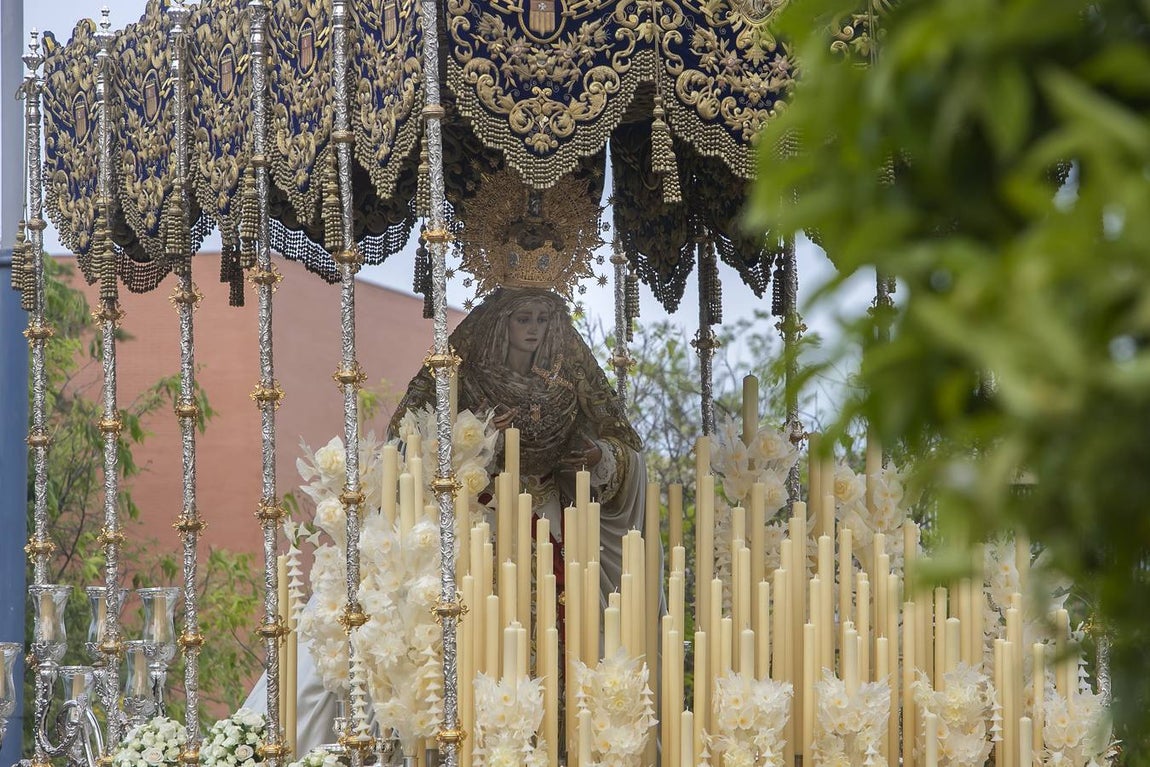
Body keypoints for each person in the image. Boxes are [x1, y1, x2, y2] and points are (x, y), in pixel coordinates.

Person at [390, 286, 649, 605]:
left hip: (551, 516)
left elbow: (622, 442)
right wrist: (477, 438)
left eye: (542, 320)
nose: (533, 329)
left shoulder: (567, 384)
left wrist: (600, 455)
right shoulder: (468, 379)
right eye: (523, 319)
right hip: (482, 516)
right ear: (502, 322)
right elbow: (414, 442)